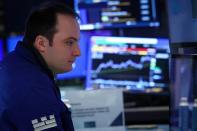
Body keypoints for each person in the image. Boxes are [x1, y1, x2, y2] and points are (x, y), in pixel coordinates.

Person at [0, 2, 80, 131]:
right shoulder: (32, 88)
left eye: (77, 42)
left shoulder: (13, 63)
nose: (78, 52)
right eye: (69, 42)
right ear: (41, 43)